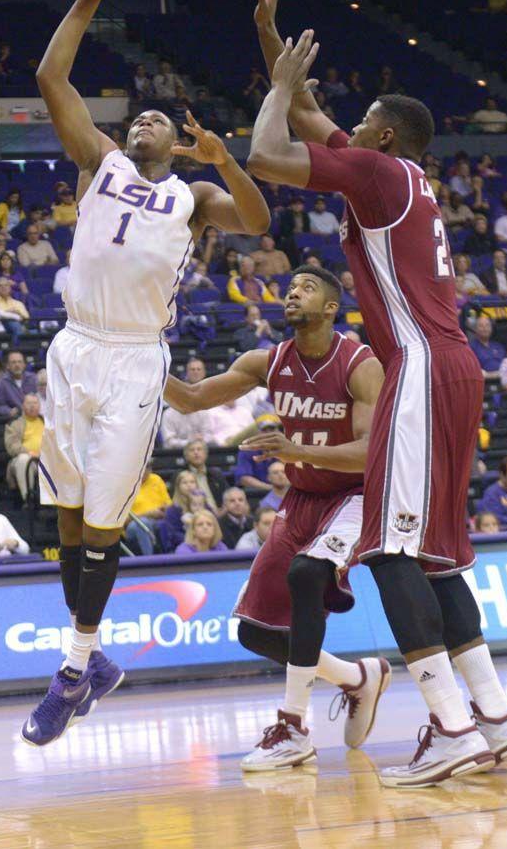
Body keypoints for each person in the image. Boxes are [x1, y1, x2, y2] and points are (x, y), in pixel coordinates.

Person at [247, 0, 507, 784]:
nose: (345, 128)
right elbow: (308, 114)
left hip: (413, 368)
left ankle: (449, 728)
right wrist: (272, 37)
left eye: (360, 123)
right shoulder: (399, 174)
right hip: (457, 368)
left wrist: (277, 91)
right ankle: (495, 713)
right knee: (439, 554)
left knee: (389, 552)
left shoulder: (375, 174)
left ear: (379, 135)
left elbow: (273, 145)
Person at [22, 0, 270, 746]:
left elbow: (258, 224)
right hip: (72, 349)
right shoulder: (100, 161)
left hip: (134, 362)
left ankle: (71, 674)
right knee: (66, 518)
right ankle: (92, 661)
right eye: (141, 116)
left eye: (160, 118)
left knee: (101, 526)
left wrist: (227, 162)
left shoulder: (194, 197)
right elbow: (49, 76)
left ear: (176, 142)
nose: (147, 120)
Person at [165, 263, 389, 768]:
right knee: (253, 631)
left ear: (331, 307)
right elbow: (194, 399)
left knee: (308, 575)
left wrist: (293, 450)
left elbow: (370, 451)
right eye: (289, 288)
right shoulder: (268, 361)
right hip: (302, 501)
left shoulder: (359, 364)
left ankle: (293, 728)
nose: (292, 293)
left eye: (307, 288)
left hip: (351, 497)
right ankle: (358, 678)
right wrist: (147, 367)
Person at [160, 359, 213, 447]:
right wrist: (189, 442)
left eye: (198, 369)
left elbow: (209, 436)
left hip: (201, 448)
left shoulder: (202, 412)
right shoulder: (168, 414)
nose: (196, 372)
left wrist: (202, 439)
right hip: (176, 452)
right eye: (192, 369)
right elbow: (169, 442)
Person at [124, 465, 171, 556]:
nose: (145, 470)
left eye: (148, 467)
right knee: (143, 523)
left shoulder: (156, 480)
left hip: (158, 520)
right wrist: (147, 514)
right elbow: (122, 522)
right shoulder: (123, 486)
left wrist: (164, 509)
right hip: (133, 525)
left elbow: (168, 504)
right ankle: (149, 559)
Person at [4, 394, 44, 502]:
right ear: (23, 406)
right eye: (29, 403)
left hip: (47, 460)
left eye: (35, 403)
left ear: (40, 406)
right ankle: (28, 499)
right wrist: (30, 452)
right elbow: (12, 446)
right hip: (28, 459)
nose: (32, 406)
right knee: (24, 460)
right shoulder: (15, 423)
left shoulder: (46, 422)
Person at [0, 349, 38, 419]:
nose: (17, 365)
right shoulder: (2, 383)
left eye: (19, 362)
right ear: (8, 366)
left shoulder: (33, 379)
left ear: (24, 365)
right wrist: (9, 411)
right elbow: (0, 406)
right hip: (15, 418)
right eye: (13, 362)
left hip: (34, 416)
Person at [0, 277, 30, 343]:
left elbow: (26, 317)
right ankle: (18, 346)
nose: (3, 287)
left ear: (10, 288)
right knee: (14, 324)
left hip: (20, 324)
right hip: (0, 326)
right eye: (0, 286)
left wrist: (17, 313)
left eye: (6, 285)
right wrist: (12, 313)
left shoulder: (18, 303)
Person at [469, 316, 506, 381]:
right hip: (482, 382)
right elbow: (471, 369)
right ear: (475, 329)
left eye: (487, 325)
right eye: (481, 326)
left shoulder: (498, 346)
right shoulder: (471, 347)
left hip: (503, 381)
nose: (485, 328)